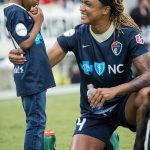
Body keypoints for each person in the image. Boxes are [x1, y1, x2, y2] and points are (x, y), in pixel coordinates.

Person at [8, 0, 150, 149]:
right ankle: (107, 143)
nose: (81, 8)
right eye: (82, 3)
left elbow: (148, 75)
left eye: (88, 4)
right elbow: (41, 65)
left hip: (125, 105)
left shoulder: (128, 34)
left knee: (147, 95)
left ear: (106, 10)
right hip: (94, 113)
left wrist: (114, 91)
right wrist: (19, 58)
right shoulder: (76, 34)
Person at [4, 0, 55, 150]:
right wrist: (39, 22)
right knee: (36, 123)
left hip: (33, 74)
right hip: (32, 75)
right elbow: (25, 43)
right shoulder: (15, 11)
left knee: (36, 122)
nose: (38, 1)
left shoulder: (20, 11)